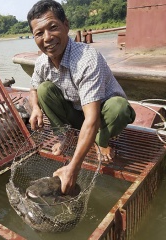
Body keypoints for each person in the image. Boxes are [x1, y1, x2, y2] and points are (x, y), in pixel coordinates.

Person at [27, 0, 135, 195]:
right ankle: (66, 136)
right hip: (78, 113)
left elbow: (92, 118)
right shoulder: (42, 62)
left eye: (53, 28)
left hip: (102, 114)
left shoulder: (86, 58)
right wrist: (35, 107)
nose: (48, 38)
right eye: (39, 33)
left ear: (66, 25)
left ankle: (101, 141)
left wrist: (73, 168)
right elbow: (34, 87)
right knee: (44, 89)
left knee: (119, 107)